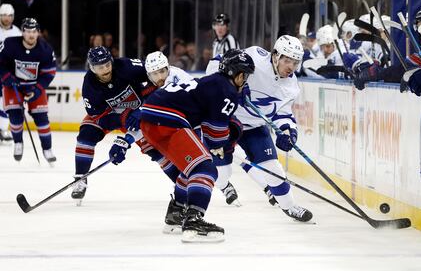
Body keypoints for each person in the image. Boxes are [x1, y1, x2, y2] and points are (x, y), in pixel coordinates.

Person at [109, 49, 255, 242]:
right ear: (239, 74)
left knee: (190, 169)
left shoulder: (212, 81)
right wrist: (232, 135)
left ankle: (175, 214)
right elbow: (215, 137)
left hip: (152, 122)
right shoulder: (225, 90)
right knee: (205, 168)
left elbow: (206, 117)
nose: (245, 81)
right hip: (168, 120)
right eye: (245, 76)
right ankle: (194, 220)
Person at [206, 36, 313, 223]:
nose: (291, 66)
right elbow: (217, 63)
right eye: (287, 60)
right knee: (222, 172)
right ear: (275, 56)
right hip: (227, 122)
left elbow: (283, 114)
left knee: (273, 169)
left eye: (295, 63)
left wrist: (288, 132)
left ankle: (289, 206)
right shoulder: (254, 57)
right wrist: (232, 86)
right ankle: (224, 185)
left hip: (255, 127)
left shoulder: (291, 86)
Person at [72, 48, 192, 203]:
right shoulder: (89, 86)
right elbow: (98, 117)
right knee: (86, 134)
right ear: (92, 68)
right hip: (113, 116)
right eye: (99, 68)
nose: (105, 70)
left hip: (141, 113)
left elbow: (155, 75)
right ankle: (80, 178)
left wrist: (144, 107)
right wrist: (121, 119)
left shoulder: (127, 66)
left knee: (156, 151)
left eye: (107, 65)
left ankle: (184, 186)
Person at [0, 18, 56, 162]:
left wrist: (37, 90)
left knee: (42, 117)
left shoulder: (46, 50)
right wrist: (7, 78)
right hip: (13, 86)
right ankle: (18, 143)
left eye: (34, 31)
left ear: (38, 33)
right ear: (22, 32)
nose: (31, 35)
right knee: (15, 116)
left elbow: (49, 73)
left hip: (34, 85)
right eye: (27, 31)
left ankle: (47, 149)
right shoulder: (10, 44)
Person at [0, 4, 22, 142]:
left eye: (9, 15)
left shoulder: (17, 33)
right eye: (3, 15)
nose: (6, 18)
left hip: (8, 72)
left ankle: (3, 129)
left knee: (6, 101)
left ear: (13, 17)